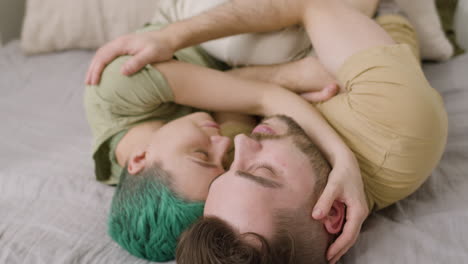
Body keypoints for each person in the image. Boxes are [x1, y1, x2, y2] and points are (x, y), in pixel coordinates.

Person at [84, 0, 447, 263]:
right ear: (334, 211)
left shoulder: (249, 177)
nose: (234, 141)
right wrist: (341, 155)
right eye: (260, 172)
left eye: (226, 169)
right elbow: (309, 10)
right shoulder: (394, 126)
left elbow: (245, 93)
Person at [84, 18, 343, 263]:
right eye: (224, 166)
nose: (225, 143)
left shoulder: (117, 89)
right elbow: (238, 101)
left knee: (283, 47)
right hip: (227, 64)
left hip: (194, 23)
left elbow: (261, 96)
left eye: (200, 154)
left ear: (138, 159)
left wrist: (342, 160)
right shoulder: (195, 180)